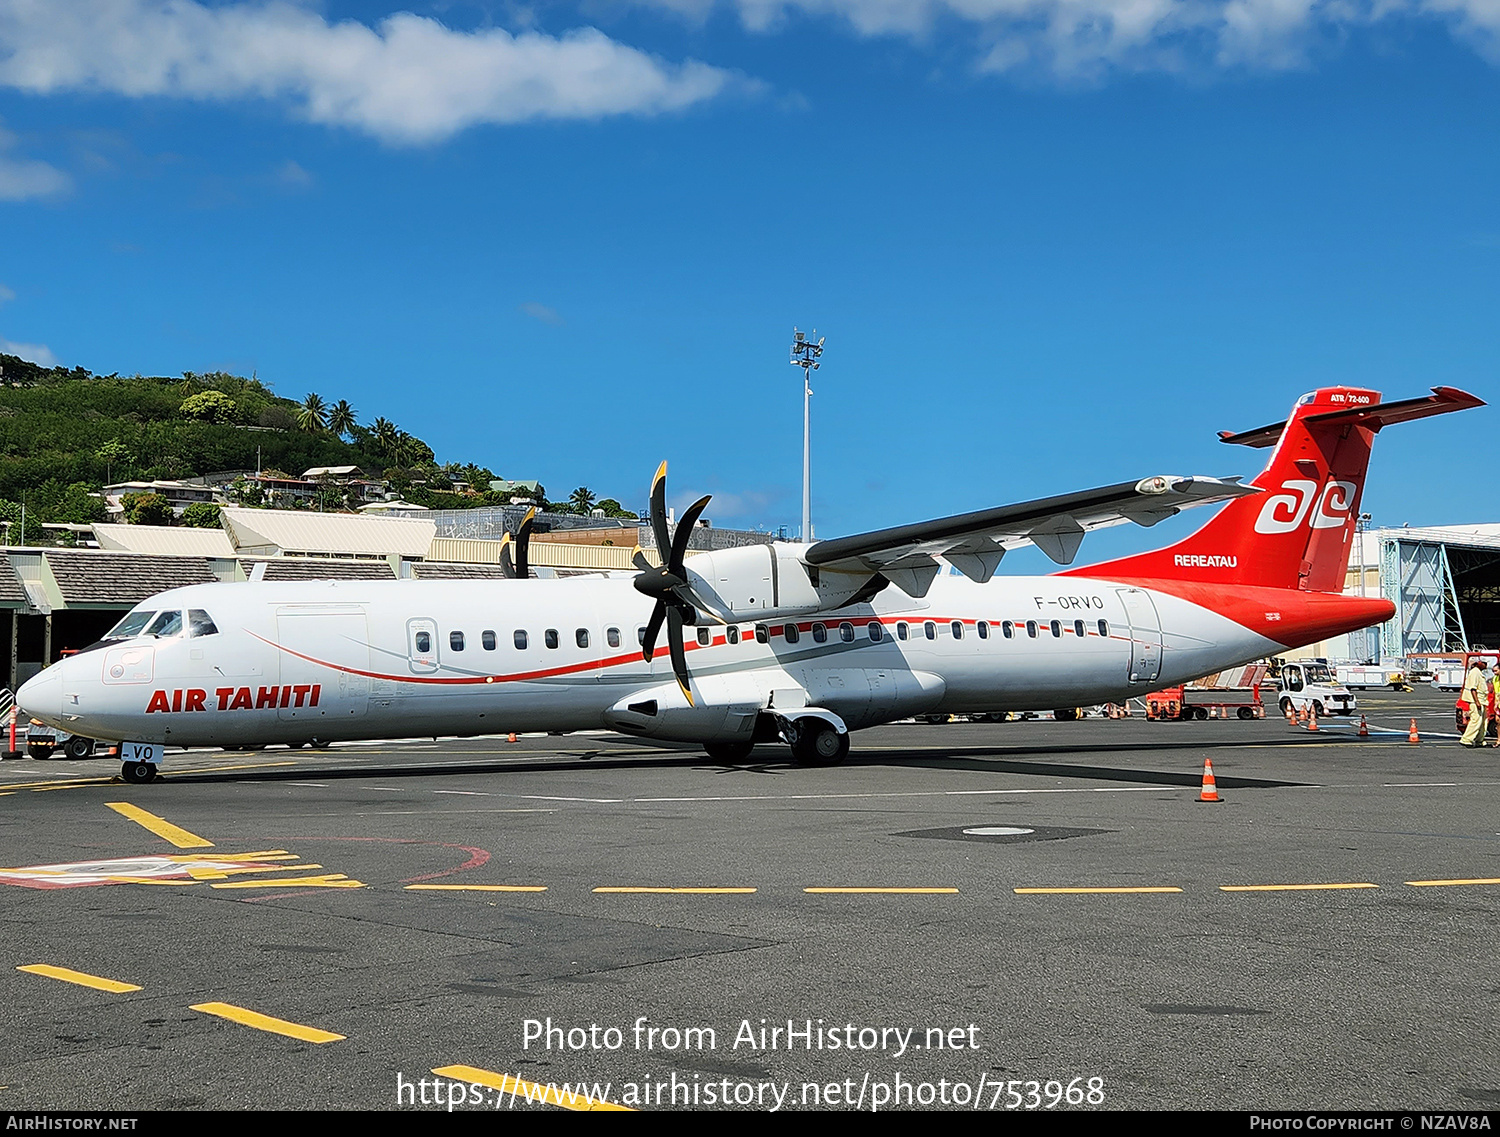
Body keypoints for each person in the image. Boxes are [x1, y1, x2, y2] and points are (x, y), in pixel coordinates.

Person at [1460, 658, 1490, 748]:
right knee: (1476, 720)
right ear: (1479, 663)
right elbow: (1473, 688)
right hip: (1476, 701)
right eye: (1485, 663)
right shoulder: (1475, 672)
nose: (1486, 666)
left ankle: (1479, 740)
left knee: (1483, 722)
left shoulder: (1479, 673)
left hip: (1482, 700)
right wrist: (1477, 702)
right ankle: (1466, 739)